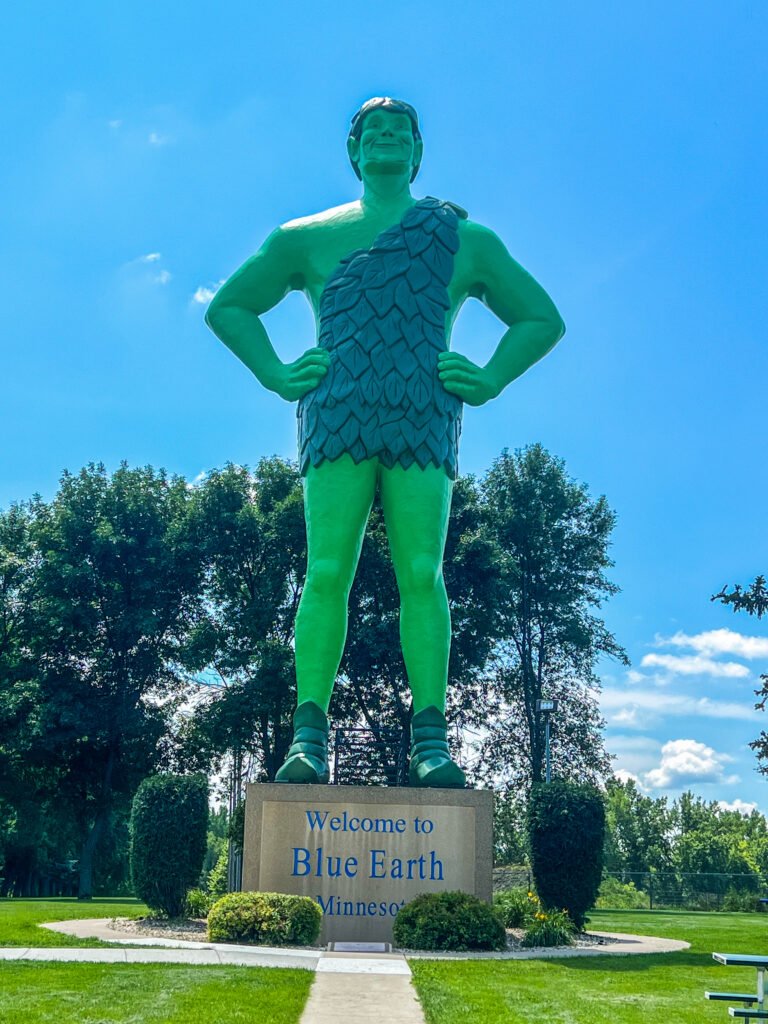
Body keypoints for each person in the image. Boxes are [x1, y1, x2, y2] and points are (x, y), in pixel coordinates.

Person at [205, 97, 565, 788]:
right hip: (337, 414)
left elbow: (540, 318)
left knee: (423, 573)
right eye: (374, 131)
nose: (387, 138)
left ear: (418, 151)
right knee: (325, 571)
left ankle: (431, 742)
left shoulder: (464, 239)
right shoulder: (305, 236)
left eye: (401, 130)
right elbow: (229, 306)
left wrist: (489, 377)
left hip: (423, 418)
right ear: (354, 151)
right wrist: (278, 372)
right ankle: (307, 738)